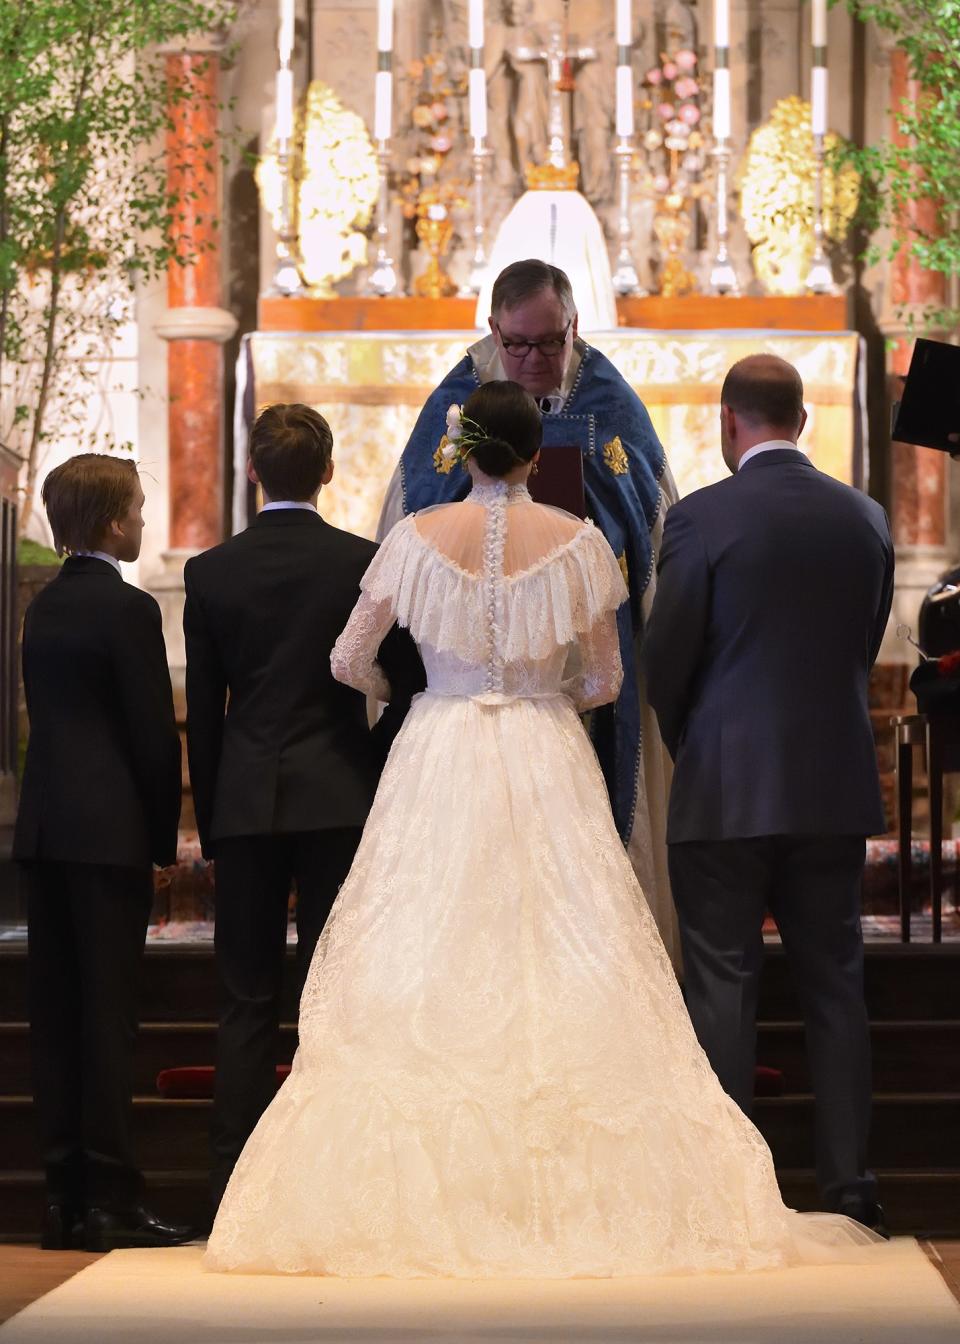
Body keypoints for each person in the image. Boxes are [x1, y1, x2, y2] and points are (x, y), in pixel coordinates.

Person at [206, 380, 879, 1276]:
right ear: (534, 456)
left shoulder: (410, 540)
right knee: (563, 950)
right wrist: (542, 691)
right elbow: (605, 680)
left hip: (437, 749)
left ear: (463, 451)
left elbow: (348, 658)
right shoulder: (581, 543)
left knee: (429, 949)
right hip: (544, 748)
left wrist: (415, 700)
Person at [643, 354, 895, 1234]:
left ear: (727, 421)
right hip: (830, 786)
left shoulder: (702, 520)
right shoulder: (865, 518)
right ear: (803, 419)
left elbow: (663, 662)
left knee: (722, 986)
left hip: (723, 788)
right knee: (835, 983)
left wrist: (695, 740)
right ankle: (851, 1184)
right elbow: (861, 650)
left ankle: (732, 1193)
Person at [380, 258, 681, 963]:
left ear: (573, 327)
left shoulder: (609, 403)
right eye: (516, 344)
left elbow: (651, 524)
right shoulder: (458, 398)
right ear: (493, 329)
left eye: (549, 343)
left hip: (576, 665)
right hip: (472, 681)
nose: (532, 359)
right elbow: (415, 519)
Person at [183, 404, 424, 1216]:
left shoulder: (210, 571)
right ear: (328, 472)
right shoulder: (359, 562)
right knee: (334, 996)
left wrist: (215, 822)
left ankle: (231, 1191)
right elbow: (408, 679)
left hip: (247, 800)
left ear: (253, 471)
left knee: (245, 998)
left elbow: (209, 714)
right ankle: (332, 1191)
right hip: (338, 797)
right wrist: (374, 761)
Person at [13, 455, 189, 1251]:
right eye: (140, 510)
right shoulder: (128, 610)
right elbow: (154, 738)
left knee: (56, 1018)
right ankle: (114, 1201)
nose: (146, 521)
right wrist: (163, 839)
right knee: (109, 1019)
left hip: (44, 834)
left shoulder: (40, 610)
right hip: (108, 835)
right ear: (115, 524)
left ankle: (62, 1197)